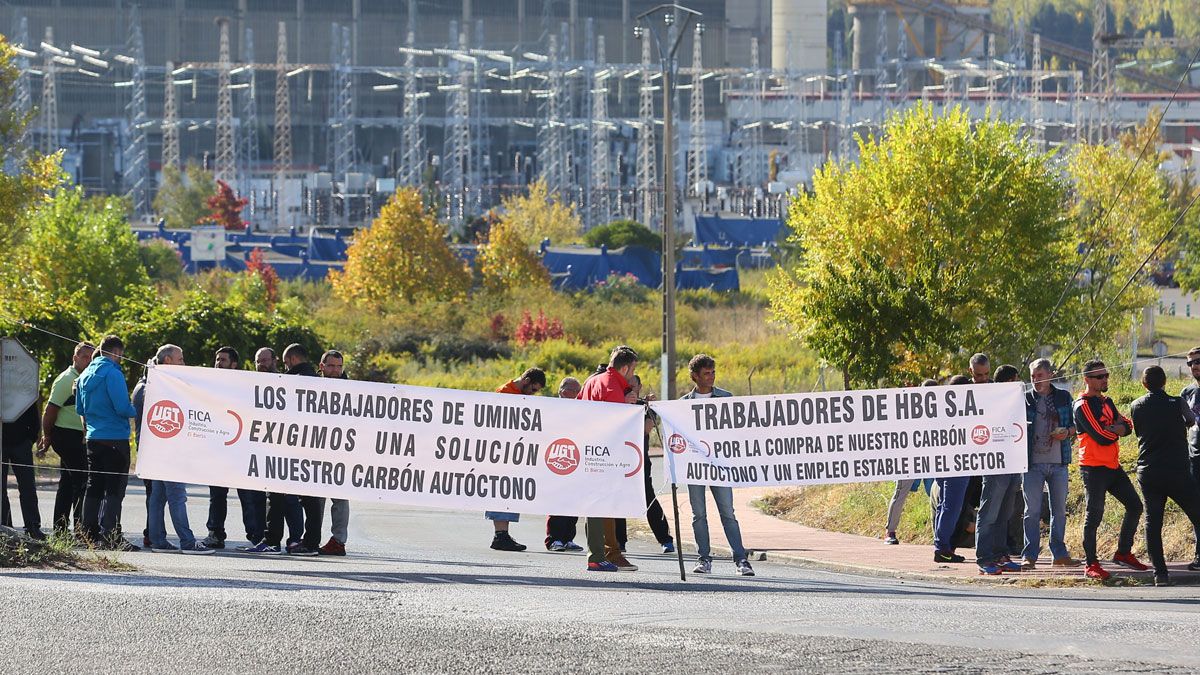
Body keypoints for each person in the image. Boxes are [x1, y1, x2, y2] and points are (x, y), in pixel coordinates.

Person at [134, 345, 213, 555]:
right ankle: (187, 542)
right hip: (167, 450)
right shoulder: (159, 386)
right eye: (181, 359)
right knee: (177, 496)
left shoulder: (146, 383)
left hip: (154, 450)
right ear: (168, 360)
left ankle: (158, 540)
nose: (183, 364)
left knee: (158, 497)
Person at [1074, 359, 1148, 581]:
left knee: (1135, 506)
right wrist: (1116, 430)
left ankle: (1123, 552)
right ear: (1087, 379)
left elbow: (1128, 425)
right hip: (1093, 468)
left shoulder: (1107, 401)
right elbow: (1101, 436)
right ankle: (1091, 564)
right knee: (1093, 516)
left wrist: (1116, 428)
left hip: (1113, 467)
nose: (1105, 379)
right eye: (1100, 377)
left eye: (1106, 375)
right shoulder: (1082, 405)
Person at [682, 354, 754, 577]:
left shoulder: (726, 398)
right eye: (706, 373)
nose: (711, 377)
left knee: (727, 513)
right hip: (695, 467)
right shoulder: (684, 404)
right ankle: (704, 558)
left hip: (720, 467)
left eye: (713, 372)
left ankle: (741, 559)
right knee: (698, 515)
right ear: (695, 376)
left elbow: (736, 429)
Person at [1129, 365, 1200, 586]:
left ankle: (1160, 573)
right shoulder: (1176, 402)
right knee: (1196, 512)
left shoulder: (1136, 405)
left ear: (1144, 384)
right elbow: (1190, 421)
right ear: (1165, 383)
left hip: (1149, 470)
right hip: (1177, 469)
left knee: (1153, 521)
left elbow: (1139, 430)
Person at [578, 346, 640, 572]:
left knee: (597, 503)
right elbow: (615, 423)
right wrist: (627, 405)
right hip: (604, 452)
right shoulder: (613, 386)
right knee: (600, 503)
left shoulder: (592, 381)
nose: (633, 374)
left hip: (589, 447)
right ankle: (597, 555)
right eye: (633, 369)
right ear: (625, 368)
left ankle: (601, 553)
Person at [76, 335, 140, 551]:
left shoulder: (84, 375)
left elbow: (80, 410)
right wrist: (138, 409)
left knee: (93, 487)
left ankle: (88, 534)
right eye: (121, 355)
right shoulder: (113, 373)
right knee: (114, 490)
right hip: (115, 438)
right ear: (116, 352)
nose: (121, 359)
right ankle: (110, 535)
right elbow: (122, 408)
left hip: (93, 437)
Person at [1020, 358, 1078, 570]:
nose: (1035, 380)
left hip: (1058, 461)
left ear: (1050, 375)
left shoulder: (1063, 396)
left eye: (1040, 376)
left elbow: (1075, 425)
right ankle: (1030, 555)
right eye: (1033, 376)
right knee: (1031, 511)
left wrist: (1067, 432)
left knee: (1059, 510)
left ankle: (1059, 553)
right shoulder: (1024, 399)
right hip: (1032, 463)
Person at [247, 347, 306, 554]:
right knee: (270, 499)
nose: (262, 364)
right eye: (258, 361)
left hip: (287, 449)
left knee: (289, 498)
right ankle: (269, 539)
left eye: (265, 360)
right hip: (264, 448)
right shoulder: (252, 386)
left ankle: (295, 539)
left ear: (275, 361)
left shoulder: (286, 382)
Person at [613, 375, 675, 554]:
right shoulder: (617, 405)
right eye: (627, 386)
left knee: (649, 499)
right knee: (618, 501)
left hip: (640, 463)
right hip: (619, 462)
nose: (631, 389)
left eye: (634, 386)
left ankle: (665, 539)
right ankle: (620, 542)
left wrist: (648, 406)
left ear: (640, 386)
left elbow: (647, 427)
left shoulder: (646, 406)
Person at [38, 341, 94, 538]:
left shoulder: (85, 379)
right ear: (75, 358)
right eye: (84, 357)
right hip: (66, 435)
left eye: (91, 357)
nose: (88, 361)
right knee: (82, 481)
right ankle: (81, 531)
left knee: (68, 483)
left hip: (79, 436)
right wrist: (47, 436)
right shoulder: (66, 379)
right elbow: (50, 411)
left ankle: (61, 529)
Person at [486, 367, 545, 552]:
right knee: (500, 491)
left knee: (509, 492)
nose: (534, 394)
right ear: (526, 380)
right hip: (501, 451)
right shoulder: (505, 393)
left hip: (513, 451)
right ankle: (500, 535)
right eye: (533, 389)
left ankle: (502, 534)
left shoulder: (520, 394)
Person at [974, 364, 1024, 575]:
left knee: (1005, 512)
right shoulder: (987, 396)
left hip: (1012, 460)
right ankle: (984, 558)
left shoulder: (1014, 399)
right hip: (993, 463)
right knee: (989, 512)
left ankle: (1000, 554)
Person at [278, 343, 324, 556]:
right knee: (310, 499)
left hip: (301, 447)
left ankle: (311, 542)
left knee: (308, 499)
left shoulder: (293, 381)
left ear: (293, 360)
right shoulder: (317, 380)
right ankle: (310, 540)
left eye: (286, 363)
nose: (285, 367)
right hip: (315, 445)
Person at [202, 346, 247, 550]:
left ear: (234, 364)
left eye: (223, 360)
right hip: (217, 448)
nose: (219, 363)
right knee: (217, 495)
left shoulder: (242, 386)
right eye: (217, 359)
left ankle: (256, 535)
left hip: (240, 448)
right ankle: (215, 533)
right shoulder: (209, 384)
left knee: (247, 495)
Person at [883, 379, 938, 545]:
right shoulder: (908, 410)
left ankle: (940, 535)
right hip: (911, 458)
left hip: (932, 459)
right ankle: (890, 531)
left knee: (937, 495)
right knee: (901, 493)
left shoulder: (942, 411)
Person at [932, 375, 974, 563]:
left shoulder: (941, 408)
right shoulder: (960, 409)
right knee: (951, 506)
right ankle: (942, 548)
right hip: (957, 461)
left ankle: (941, 545)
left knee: (944, 505)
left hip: (942, 461)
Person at [545, 376, 584, 553]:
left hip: (574, 458)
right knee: (558, 501)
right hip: (556, 459)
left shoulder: (581, 408)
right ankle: (554, 539)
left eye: (578, 390)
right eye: (573, 390)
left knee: (574, 500)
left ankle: (568, 538)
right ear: (562, 391)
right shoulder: (554, 408)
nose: (577, 393)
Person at [318, 350, 351, 556]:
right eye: (331, 366)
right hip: (317, 448)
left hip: (341, 450)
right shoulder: (311, 387)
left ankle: (338, 541)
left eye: (339, 367)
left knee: (340, 498)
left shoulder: (351, 390)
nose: (336, 371)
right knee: (315, 498)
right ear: (321, 366)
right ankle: (311, 536)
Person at [2, 401, 42, 540]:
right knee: (1, 489)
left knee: (28, 487)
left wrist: (30, 438)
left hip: (21, 442)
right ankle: (4, 526)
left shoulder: (23, 385)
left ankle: (33, 526)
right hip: (5, 441)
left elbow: (32, 410)